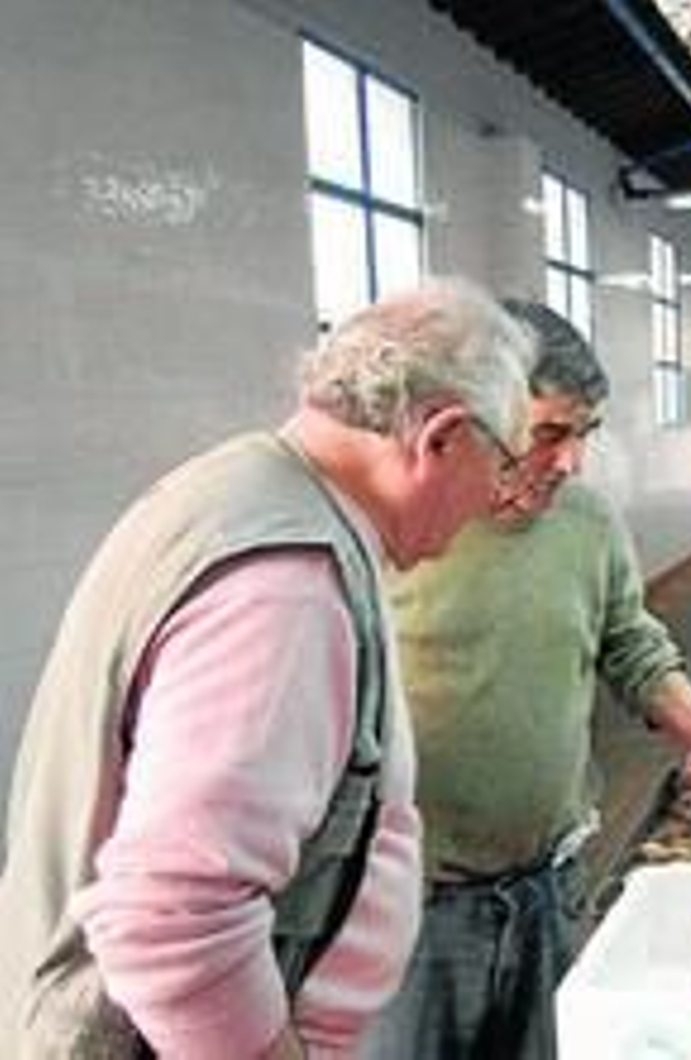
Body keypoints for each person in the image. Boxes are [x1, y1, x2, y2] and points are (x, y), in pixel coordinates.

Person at [0, 278, 536, 1058]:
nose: (499, 496)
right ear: (443, 437)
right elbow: (175, 916)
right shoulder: (289, 584)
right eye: (505, 462)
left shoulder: (244, 492)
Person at [369, 302, 691, 1060]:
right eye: (548, 434)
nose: (571, 461)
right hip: (414, 913)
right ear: (474, 417)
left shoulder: (588, 522)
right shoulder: (402, 527)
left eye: (585, 434)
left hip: (551, 890)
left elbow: (626, 638)